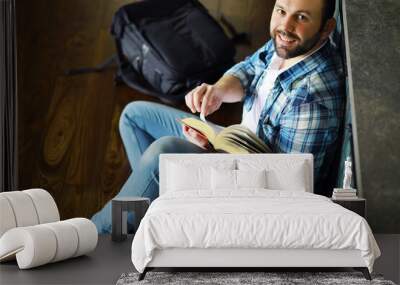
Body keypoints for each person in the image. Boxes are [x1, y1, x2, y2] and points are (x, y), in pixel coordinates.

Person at [92, 0, 345, 234]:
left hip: (249, 186)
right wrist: (218, 91)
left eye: (301, 17)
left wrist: (214, 152)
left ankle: (94, 234)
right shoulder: (290, 43)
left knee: (163, 153)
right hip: (232, 146)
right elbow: (249, 68)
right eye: (281, 10)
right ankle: (155, 219)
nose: (286, 25)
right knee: (134, 116)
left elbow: (288, 188)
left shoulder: (311, 98)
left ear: (326, 28)